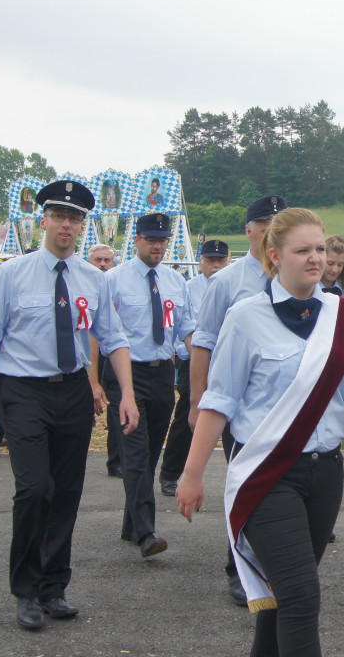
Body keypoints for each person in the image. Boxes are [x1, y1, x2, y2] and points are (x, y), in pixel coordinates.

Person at [177, 207, 344, 656]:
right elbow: (219, 401)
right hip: (267, 475)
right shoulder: (245, 317)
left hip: (326, 475)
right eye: (302, 250)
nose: (315, 258)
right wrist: (192, 473)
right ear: (275, 255)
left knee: (282, 597)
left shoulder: (343, 316)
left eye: (320, 248)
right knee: (301, 596)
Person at [0, 180, 139, 631]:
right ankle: (25, 589)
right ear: (43, 220)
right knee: (33, 489)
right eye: (59, 216)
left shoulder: (93, 278)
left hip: (73, 392)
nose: (66, 224)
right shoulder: (12, 273)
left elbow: (114, 338)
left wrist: (127, 395)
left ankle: (53, 586)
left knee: (66, 491)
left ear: (83, 226)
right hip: (23, 391)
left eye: (75, 218)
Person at [189, 194, 287, 607]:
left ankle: (278, 562)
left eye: (279, 225)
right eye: (265, 225)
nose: (271, 232)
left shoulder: (297, 276)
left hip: (287, 403)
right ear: (249, 231)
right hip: (240, 405)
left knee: (284, 486)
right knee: (246, 484)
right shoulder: (226, 282)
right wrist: (197, 400)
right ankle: (240, 566)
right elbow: (203, 343)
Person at [104, 213, 194, 557]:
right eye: (151, 240)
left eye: (162, 241)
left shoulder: (175, 281)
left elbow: (186, 329)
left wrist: (205, 366)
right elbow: (101, 332)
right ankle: (146, 532)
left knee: (151, 451)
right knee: (136, 452)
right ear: (137, 240)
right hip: (125, 373)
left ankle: (131, 525)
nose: (157, 246)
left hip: (162, 372)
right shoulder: (114, 279)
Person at [159, 238, 228, 497]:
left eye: (220, 260)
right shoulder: (188, 288)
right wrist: (188, 354)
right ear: (200, 262)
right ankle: (170, 474)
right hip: (194, 360)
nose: (216, 265)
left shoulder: (231, 285)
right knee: (187, 417)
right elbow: (182, 326)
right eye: (210, 260)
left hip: (227, 360)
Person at [83, 244, 121, 477]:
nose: (103, 265)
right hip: (89, 354)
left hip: (113, 353)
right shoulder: (82, 284)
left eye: (107, 260)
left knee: (116, 409)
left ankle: (116, 460)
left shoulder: (116, 282)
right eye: (98, 260)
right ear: (90, 262)